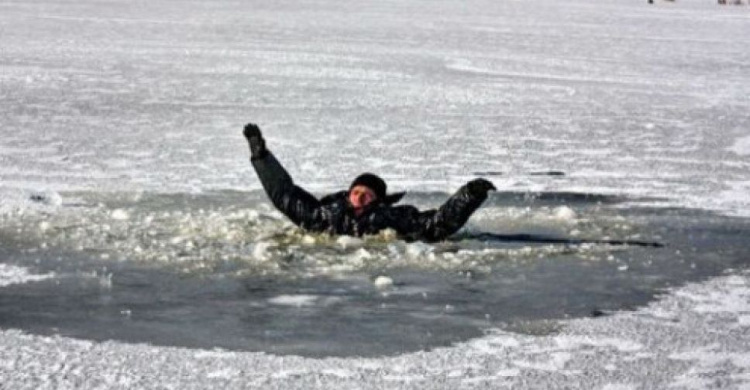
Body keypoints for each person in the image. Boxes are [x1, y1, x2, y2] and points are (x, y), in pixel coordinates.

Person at [243, 123, 496, 242]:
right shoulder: (324, 215)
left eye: (367, 194)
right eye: (356, 192)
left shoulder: (392, 218)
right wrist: (261, 156)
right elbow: (284, 195)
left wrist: (469, 195)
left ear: (378, 200)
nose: (359, 197)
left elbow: (436, 225)